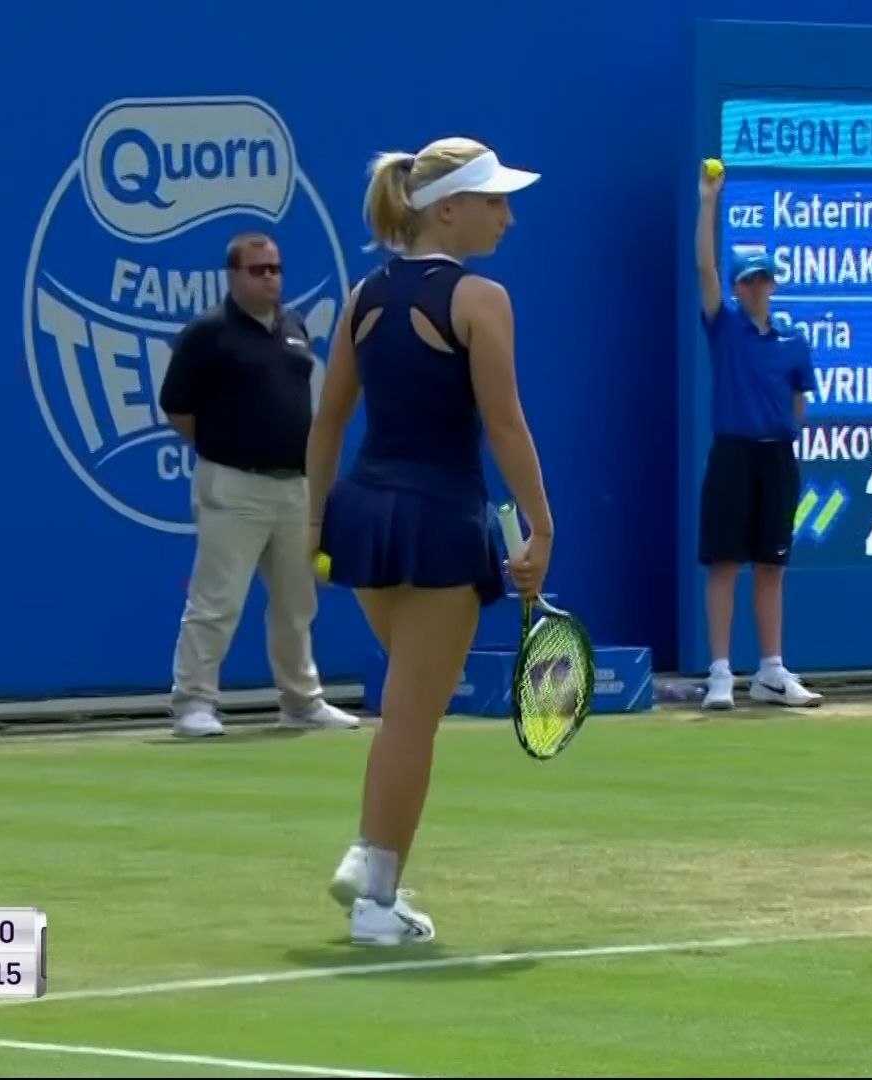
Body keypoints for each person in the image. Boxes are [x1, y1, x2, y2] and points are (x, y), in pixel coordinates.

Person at [304, 138, 552, 946]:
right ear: (448, 211)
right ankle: (374, 889)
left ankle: (375, 863)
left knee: (410, 705)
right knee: (412, 717)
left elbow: (328, 422)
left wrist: (315, 527)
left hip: (365, 518)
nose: (508, 217)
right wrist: (543, 525)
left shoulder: (362, 297)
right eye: (494, 201)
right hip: (439, 520)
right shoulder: (483, 299)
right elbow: (505, 424)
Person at [157, 232, 361, 738]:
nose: (270, 278)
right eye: (257, 270)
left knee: (298, 603)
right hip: (234, 486)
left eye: (275, 269)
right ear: (233, 276)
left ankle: (301, 701)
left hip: (294, 487)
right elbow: (177, 407)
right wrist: (227, 445)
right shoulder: (208, 333)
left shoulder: (294, 327)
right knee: (217, 601)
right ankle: (193, 704)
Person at [694, 162, 823, 712]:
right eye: (747, 279)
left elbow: (799, 401)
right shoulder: (723, 327)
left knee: (773, 566)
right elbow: (704, 265)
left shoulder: (794, 339)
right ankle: (720, 673)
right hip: (732, 455)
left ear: (772, 283)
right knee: (725, 563)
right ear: (736, 288)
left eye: (762, 278)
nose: (755, 286)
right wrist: (709, 200)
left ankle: (771, 671)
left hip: (777, 459)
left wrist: (783, 436)